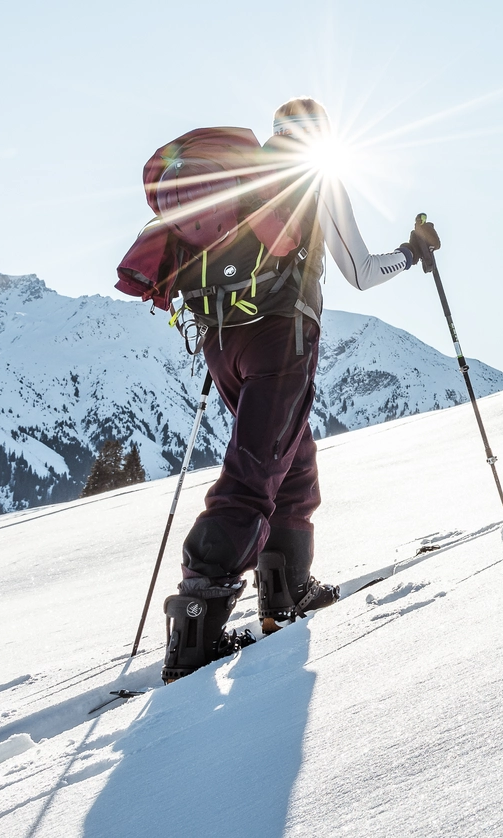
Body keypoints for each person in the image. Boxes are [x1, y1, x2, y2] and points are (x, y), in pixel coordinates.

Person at [164, 96, 435, 681]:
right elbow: (360, 272)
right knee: (255, 471)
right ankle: (198, 619)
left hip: (219, 336)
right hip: (280, 335)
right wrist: (412, 253)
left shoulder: (243, 178)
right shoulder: (316, 178)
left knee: (293, 456)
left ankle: (284, 593)